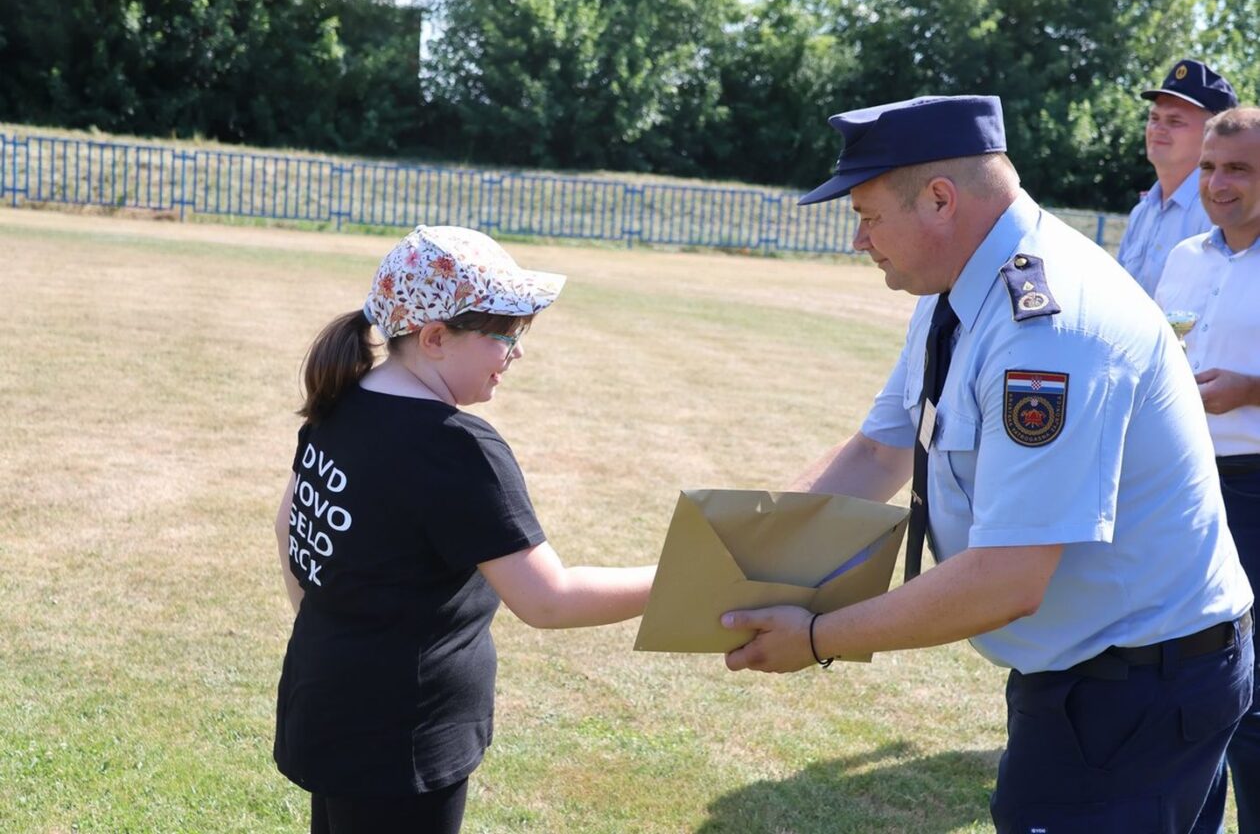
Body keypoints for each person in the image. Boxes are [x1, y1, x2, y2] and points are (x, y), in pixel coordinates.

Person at [721, 95, 1254, 832]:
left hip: (1133, 687)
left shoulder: (1048, 329)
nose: (858, 241)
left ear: (941, 199)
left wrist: (814, 639)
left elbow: (1008, 578)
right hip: (1102, 671)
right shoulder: (962, 285)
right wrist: (746, 563)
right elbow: (879, 450)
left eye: (869, 216)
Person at [272, 225, 656, 834]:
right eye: (508, 333)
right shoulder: (456, 448)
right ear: (434, 336)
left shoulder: (343, 400)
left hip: (328, 703)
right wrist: (681, 579)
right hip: (402, 739)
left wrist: (339, 628)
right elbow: (547, 600)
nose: (518, 352)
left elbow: (288, 522)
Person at [1156, 106, 1260, 833]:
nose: (1219, 184)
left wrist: (1253, 390)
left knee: (1250, 692)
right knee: (1188, 677)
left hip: (1255, 488)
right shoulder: (1186, 256)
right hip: (1183, 484)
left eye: (1240, 169)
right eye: (1210, 168)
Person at [1116, 58, 1238, 298]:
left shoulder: (1222, 212)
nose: (1158, 128)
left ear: (1213, 136)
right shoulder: (1143, 212)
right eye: (1154, 118)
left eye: (1175, 121)